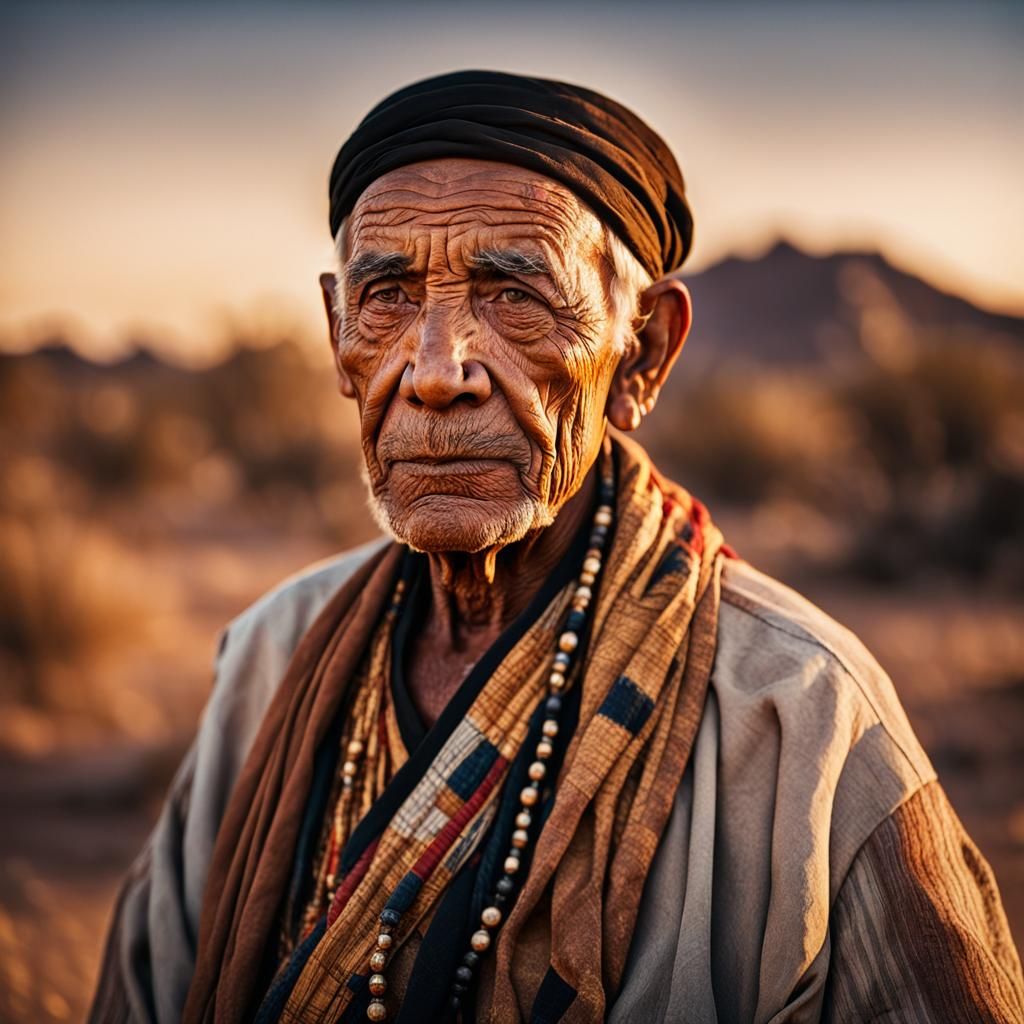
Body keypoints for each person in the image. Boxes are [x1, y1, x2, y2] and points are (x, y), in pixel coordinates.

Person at [89, 70, 1023, 1024]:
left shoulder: (805, 714)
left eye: (513, 296)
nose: (436, 370)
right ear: (338, 335)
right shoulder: (273, 653)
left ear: (644, 350)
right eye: (388, 296)